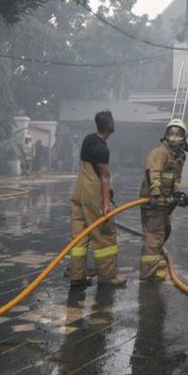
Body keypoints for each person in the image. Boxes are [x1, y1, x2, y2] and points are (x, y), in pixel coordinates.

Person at [68, 111, 126, 287]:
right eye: (113, 120)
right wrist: (107, 205)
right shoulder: (102, 148)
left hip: (79, 191)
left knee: (79, 234)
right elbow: (105, 177)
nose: (115, 123)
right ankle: (108, 277)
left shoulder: (88, 139)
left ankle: (77, 276)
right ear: (109, 124)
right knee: (104, 234)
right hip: (93, 195)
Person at [139, 119, 188, 281]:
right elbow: (154, 173)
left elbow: (176, 178)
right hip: (153, 200)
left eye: (177, 134)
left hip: (164, 201)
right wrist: (157, 194)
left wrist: (177, 195)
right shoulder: (160, 152)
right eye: (171, 133)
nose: (174, 137)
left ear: (184, 137)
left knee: (164, 230)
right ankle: (149, 273)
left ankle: (154, 261)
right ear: (165, 135)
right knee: (154, 235)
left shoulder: (179, 156)